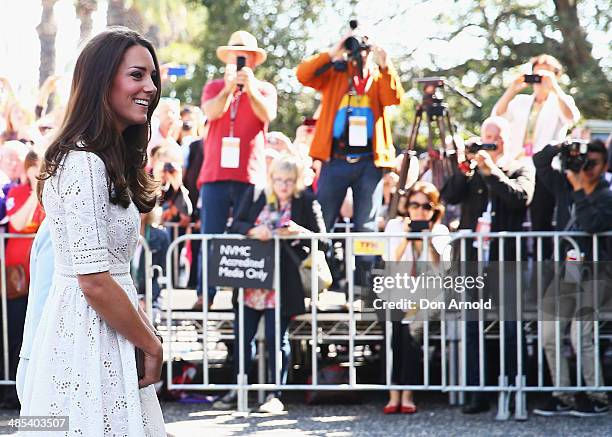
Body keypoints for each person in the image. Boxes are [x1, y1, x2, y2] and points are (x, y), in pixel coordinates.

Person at [19, 27, 165, 435]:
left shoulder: (99, 158)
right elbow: (94, 280)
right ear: (102, 80)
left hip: (105, 330)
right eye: (137, 75)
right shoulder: (84, 162)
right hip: (88, 335)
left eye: (152, 77)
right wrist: (152, 344)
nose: (150, 88)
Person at [212, 155, 325, 413]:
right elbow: (236, 225)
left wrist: (299, 232)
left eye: (288, 180)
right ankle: (238, 388)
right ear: (271, 179)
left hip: (283, 281)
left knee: (277, 338)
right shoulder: (257, 194)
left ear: (297, 181)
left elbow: (324, 239)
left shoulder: (306, 201)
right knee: (244, 338)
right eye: (278, 180)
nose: (283, 185)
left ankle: (275, 393)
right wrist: (253, 230)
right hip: (251, 279)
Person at [441, 116, 535, 414]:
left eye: (495, 138)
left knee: (510, 327)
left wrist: (492, 171)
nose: (490, 144)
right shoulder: (472, 174)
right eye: (485, 137)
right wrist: (465, 166)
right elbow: (449, 196)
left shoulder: (520, 167)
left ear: (506, 141)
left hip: (505, 260)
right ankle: (475, 392)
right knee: (471, 328)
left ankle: (512, 388)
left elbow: (519, 199)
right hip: (471, 261)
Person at [194, 30, 277, 310]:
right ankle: (206, 293)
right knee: (211, 237)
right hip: (215, 174)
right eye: (235, 54)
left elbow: (268, 115)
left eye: (245, 56)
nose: (240, 60)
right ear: (228, 57)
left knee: (247, 238)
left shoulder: (264, 89)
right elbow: (211, 112)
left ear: (253, 60)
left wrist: (249, 88)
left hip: (249, 174)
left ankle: (242, 296)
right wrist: (230, 89)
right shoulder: (215, 86)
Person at [296, 27, 404, 235]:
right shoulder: (335, 72)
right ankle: (318, 265)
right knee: (321, 220)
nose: (359, 52)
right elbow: (303, 75)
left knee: (366, 225)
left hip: (369, 162)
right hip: (335, 159)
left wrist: (385, 64)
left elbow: (393, 98)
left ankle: (365, 268)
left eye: (364, 46)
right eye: (355, 45)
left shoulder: (378, 76)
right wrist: (334, 51)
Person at [532, 139, 611, 417]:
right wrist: (561, 148)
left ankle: (597, 395)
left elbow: (592, 225)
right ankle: (562, 393)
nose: (586, 168)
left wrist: (579, 187)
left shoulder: (607, 194)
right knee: (550, 334)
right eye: (583, 161)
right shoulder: (564, 185)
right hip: (567, 269)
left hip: (596, 271)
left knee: (581, 336)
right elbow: (539, 162)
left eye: (593, 163)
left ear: (604, 166)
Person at [493, 54, 580, 257]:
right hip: (518, 166)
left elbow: (571, 117)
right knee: (515, 219)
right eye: (538, 70)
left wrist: (554, 88)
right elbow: (498, 116)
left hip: (544, 169)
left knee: (541, 221)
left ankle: (543, 269)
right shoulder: (521, 102)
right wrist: (512, 89)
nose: (540, 75)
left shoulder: (559, 100)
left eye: (547, 70)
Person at [382, 182, 450, 414]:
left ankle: (407, 394)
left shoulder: (440, 230)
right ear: (407, 205)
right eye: (414, 205)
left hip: (424, 295)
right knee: (393, 336)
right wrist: (407, 236)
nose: (420, 211)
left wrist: (427, 239)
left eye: (426, 206)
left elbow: (440, 266)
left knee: (410, 335)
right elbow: (390, 260)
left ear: (434, 209)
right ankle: (393, 394)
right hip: (396, 292)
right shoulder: (395, 225)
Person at [0, 150, 44, 409]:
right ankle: (11, 391)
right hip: (16, 275)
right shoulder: (17, 193)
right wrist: (33, 193)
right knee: (15, 333)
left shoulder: (53, 194)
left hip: (42, 276)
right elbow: (17, 223)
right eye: (33, 167)